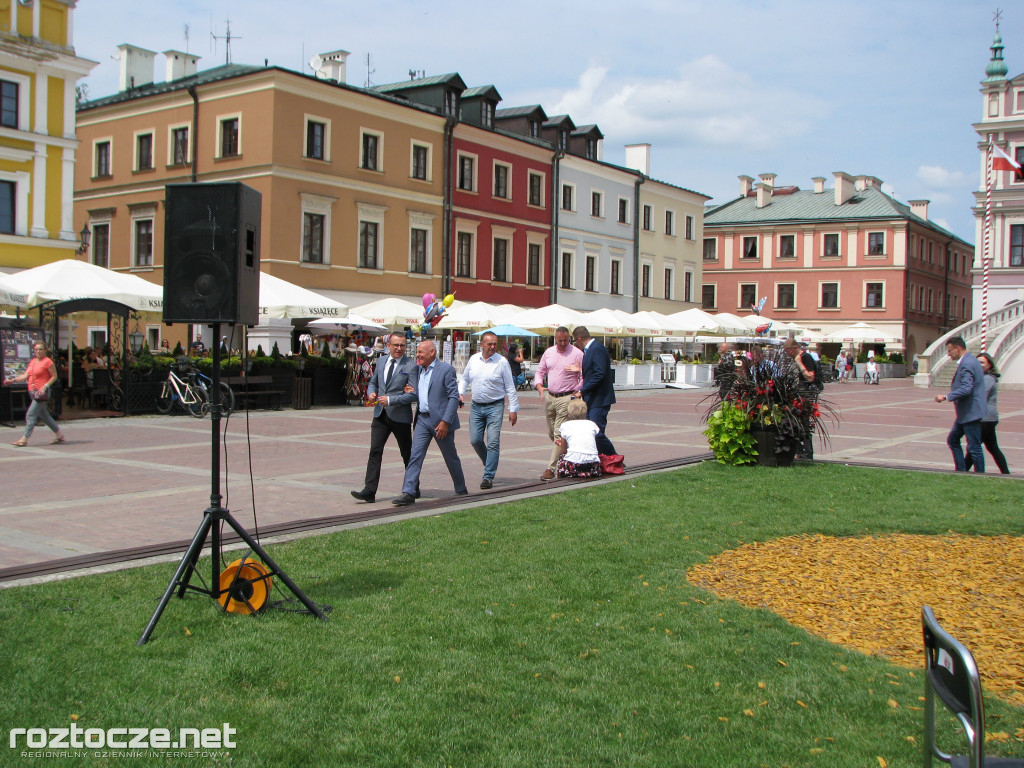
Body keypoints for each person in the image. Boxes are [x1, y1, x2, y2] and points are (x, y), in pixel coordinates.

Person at [392, 340, 467, 506]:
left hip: (441, 422)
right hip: (422, 420)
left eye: (421, 352)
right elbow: (420, 391)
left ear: (432, 352)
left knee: (450, 457)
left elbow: (454, 397)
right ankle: (408, 492)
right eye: (417, 352)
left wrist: (445, 421)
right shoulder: (418, 370)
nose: (417, 355)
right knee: (415, 456)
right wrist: (410, 390)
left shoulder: (445, 369)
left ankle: (461, 489)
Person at [351, 332, 420, 503]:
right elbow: (373, 381)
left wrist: (391, 400)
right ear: (388, 345)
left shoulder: (411, 366)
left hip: (400, 416)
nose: (399, 348)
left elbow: (414, 394)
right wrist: (371, 392)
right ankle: (369, 490)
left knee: (407, 453)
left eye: (402, 345)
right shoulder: (381, 361)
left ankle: (412, 488)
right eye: (396, 345)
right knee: (375, 451)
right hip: (380, 415)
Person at [459, 332, 519, 489]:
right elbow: (465, 378)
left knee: (493, 441)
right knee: (475, 440)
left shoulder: (502, 362)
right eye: (489, 344)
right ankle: (489, 462)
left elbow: (510, 387)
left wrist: (513, 409)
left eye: (494, 344)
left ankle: (488, 476)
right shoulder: (473, 360)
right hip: (476, 406)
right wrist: (460, 393)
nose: (492, 347)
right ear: (482, 345)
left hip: (495, 406)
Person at [534, 326, 584, 480]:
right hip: (550, 397)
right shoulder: (549, 352)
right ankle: (568, 453)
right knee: (552, 433)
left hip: (567, 397)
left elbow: (584, 375)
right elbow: (540, 371)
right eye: (560, 340)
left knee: (558, 432)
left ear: (569, 339)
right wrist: (539, 386)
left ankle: (551, 468)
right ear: (555, 339)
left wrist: (578, 391)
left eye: (566, 340)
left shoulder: (577, 353)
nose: (563, 343)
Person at [934, 336, 986, 473]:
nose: (948, 354)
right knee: (953, 440)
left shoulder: (967, 363)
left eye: (950, 351)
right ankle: (961, 471)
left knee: (974, 447)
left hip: (970, 412)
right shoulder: (969, 361)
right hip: (966, 413)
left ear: (958, 348)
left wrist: (946, 397)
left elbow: (966, 388)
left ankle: (980, 476)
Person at [5, 342, 66, 447]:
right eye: (36, 349)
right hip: (32, 391)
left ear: (45, 350)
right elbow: (25, 375)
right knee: (44, 415)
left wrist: (45, 386)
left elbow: (54, 376)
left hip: (41, 392)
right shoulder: (33, 361)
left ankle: (24, 439)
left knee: (30, 414)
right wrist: (13, 380)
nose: (38, 351)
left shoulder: (48, 362)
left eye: (40, 349)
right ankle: (59, 435)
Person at [572, 326, 617, 456]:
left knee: (596, 432)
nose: (576, 345)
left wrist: (582, 390)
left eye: (575, 341)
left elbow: (599, 374)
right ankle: (602, 459)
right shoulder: (591, 350)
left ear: (579, 339)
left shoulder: (596, 349)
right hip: (593, 399)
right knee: (593, 432)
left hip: (600, 399)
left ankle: (614, 458)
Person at [964, 352, 1009, 474]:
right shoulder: (982, 378)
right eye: (977, 362)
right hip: (988, 418)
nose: (979, 364)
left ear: (989, 365)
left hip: (985, 419)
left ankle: (962, 471)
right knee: (993, 448)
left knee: (974, 447)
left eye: (982, 362)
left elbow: (980, 396)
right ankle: (1005, 473)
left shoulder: (987, 379)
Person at [783, 338, 819, 459]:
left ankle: (807, 452)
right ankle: (800, 450)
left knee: (803, 421)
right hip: (799, 393)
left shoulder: (805, 357)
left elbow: (810, 377)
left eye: (788, 351)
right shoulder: (797, 357)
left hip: (806, 393)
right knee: (796, 421)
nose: (788, 354)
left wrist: (799, 362)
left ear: (793, 349)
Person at [554, 398, 603, 479]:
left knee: (562, 457)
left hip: (574, 464)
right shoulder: (592, 424)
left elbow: (563, 450)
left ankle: (560, 476)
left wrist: (561, 443)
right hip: (593, 465)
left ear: (569, 416)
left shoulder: (565, 425)